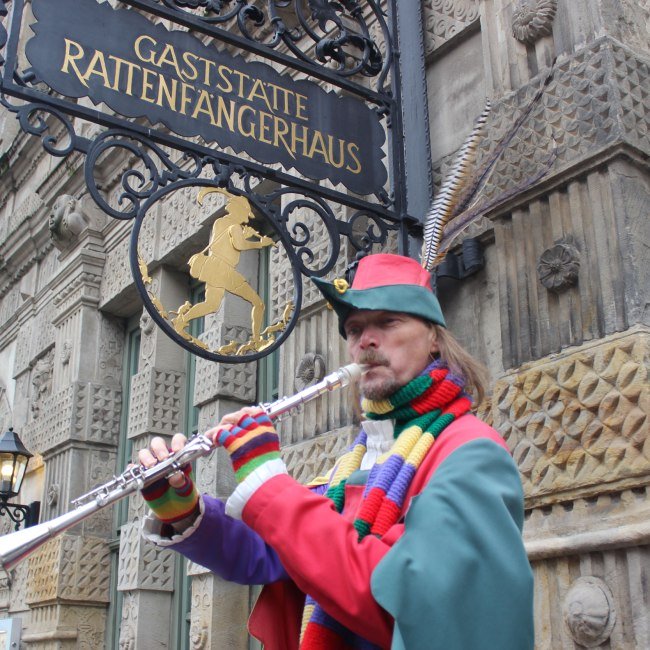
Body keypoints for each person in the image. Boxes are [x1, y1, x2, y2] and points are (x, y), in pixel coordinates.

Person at [139, 253, 535, 649]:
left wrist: (268, 483)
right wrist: (187, 512)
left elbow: (402, 601)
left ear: (434, 337)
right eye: (354, 329)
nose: (366, 340)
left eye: (388, 321)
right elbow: (277, 552)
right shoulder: (358, 458)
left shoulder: (470, 452)